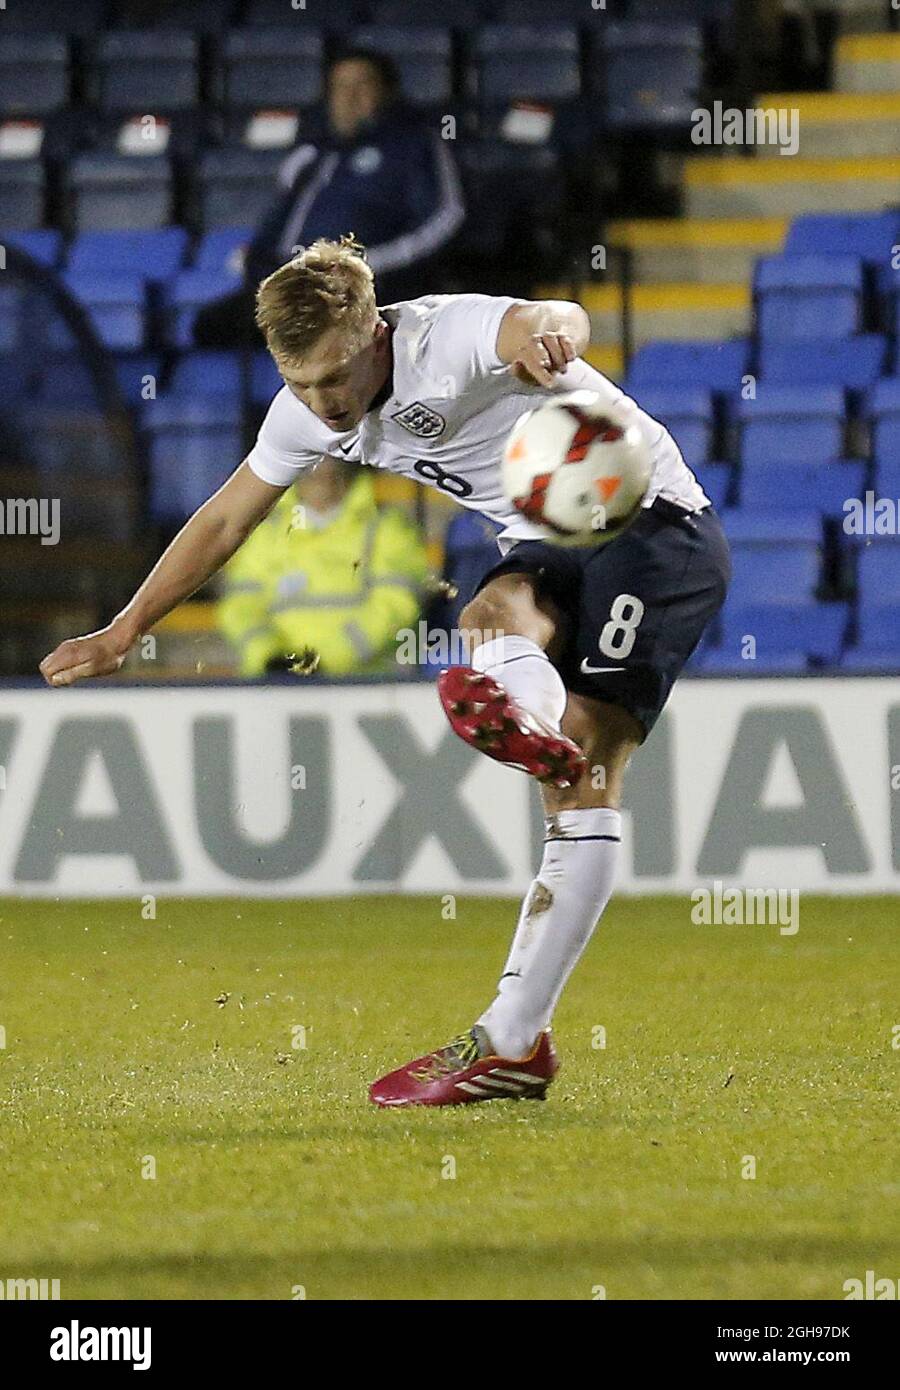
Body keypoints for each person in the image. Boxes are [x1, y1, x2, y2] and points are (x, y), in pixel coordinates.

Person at [40, 236, 730, 1109]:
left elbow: (546, 318)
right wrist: (123, 630)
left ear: (373, 333)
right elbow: (223, 523)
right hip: (545, 536)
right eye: (300, 383)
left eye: (335, 376)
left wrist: (552, 334)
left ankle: (516, 1028)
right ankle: (534, 745)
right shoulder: (305, 410)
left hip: (655, 525)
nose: (324, 405)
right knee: (485, 619)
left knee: (590, 763)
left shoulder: (446, 339)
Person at [194, 49, 465, 347]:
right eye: (340, 88)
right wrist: (257, 262)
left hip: (365, 290)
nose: (349, 97)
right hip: (294, 288)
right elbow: (276, 225)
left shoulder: (416, 146)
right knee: (210, 326)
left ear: (388, 93)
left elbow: (446, 218)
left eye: (362, 85)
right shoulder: (311, 156)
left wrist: (364, 266)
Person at [217, 456, 428, 677]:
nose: (322, 456)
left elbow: (396, 607)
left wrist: (324, 662)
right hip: (274, 686)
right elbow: (240, 608)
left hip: (362, 688)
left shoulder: (388, 527)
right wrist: (269, 657)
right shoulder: (265, 531)